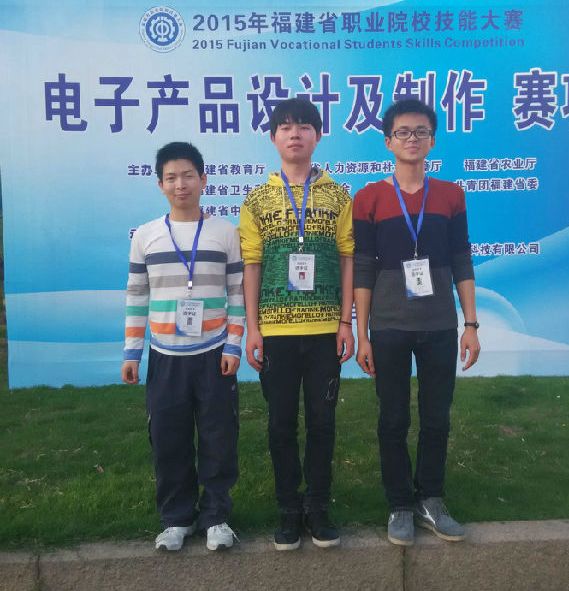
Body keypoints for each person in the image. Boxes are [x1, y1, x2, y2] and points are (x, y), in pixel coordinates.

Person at [353, 98, 480, 546]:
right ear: (388, 141)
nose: (412, 138)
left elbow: (462, 258)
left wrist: (471, 325)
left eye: (421, 131)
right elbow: (363, 267)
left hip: (440, 324)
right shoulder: (368, 198)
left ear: (432, 140)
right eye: (403, 132)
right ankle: (399, 505)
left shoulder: (450, 195)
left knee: (436, 417)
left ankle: (430, 500)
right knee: (392, 418)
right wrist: (363, 334)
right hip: (388, 325)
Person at [239, 98, 354, 551]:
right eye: (285, 127)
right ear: (273, 138)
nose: (295, 134)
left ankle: (319, 508)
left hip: (325, 331)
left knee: (323, 423)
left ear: (317, 136)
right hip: (276, 333)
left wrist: (346, 322)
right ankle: (289, 509)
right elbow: (251, 265)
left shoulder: (338, 195)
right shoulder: (257, 199)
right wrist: (253, 328)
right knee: (281, 424)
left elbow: (347, 259)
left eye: (304, 126)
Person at [121, 142, 245, 553]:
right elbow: (137, 295)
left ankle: (216, 517)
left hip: (214, 354)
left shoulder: (225, 233)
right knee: (168, 438)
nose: (181, 184)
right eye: (171, 177)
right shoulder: (146, 236)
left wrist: (233, 345)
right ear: (160, 184)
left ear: (204, 179)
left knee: (218, 436)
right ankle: (176, 519)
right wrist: (132, 352)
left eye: (188, 175)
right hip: (165, 357)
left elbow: (237, 292)